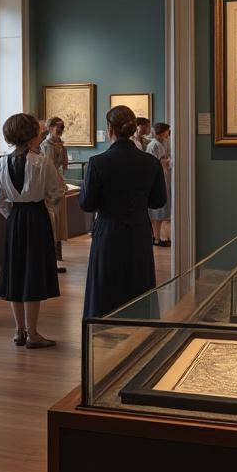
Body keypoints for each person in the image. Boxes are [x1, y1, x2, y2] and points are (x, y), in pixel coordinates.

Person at [80, 105, 168, 319]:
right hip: (138, 229)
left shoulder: (98, 162)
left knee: (106, 286)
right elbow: (158, 201)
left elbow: (87, 204)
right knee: (138, 284)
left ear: (109, 128)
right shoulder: (150, 162)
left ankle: (103, 332)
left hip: (109, 230)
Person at [0, 113, 64, 349]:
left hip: (15, 219)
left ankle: (19, 330)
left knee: (16, 273)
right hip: (37, 217)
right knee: (32, 274)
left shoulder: (0, 163)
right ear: (33, 134)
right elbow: (56, 193)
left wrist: (12, 213)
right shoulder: (42, 162)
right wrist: (46, 205)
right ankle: (32, 333)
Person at [40, 117, 70, 273]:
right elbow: (47, 167)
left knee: (59, 219)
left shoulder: (60, 144)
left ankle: (58, 254)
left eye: (62, 128)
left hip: (59, 182)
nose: (61, 130)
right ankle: (52, 255)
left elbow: (63, 166)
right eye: (58, 127)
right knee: (53, 219)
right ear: (50, 127)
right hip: (50, 184)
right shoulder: (45, 146)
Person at [147, 122, 173, 247]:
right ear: (163, 131)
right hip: (157, 177)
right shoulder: (154, 145)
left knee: (161, 211)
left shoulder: (160, 144)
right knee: (156, 211)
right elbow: (154, 162)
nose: (169, 133)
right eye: (167, 131)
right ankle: (156, 237)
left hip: (162, 176)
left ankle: (157, 236)